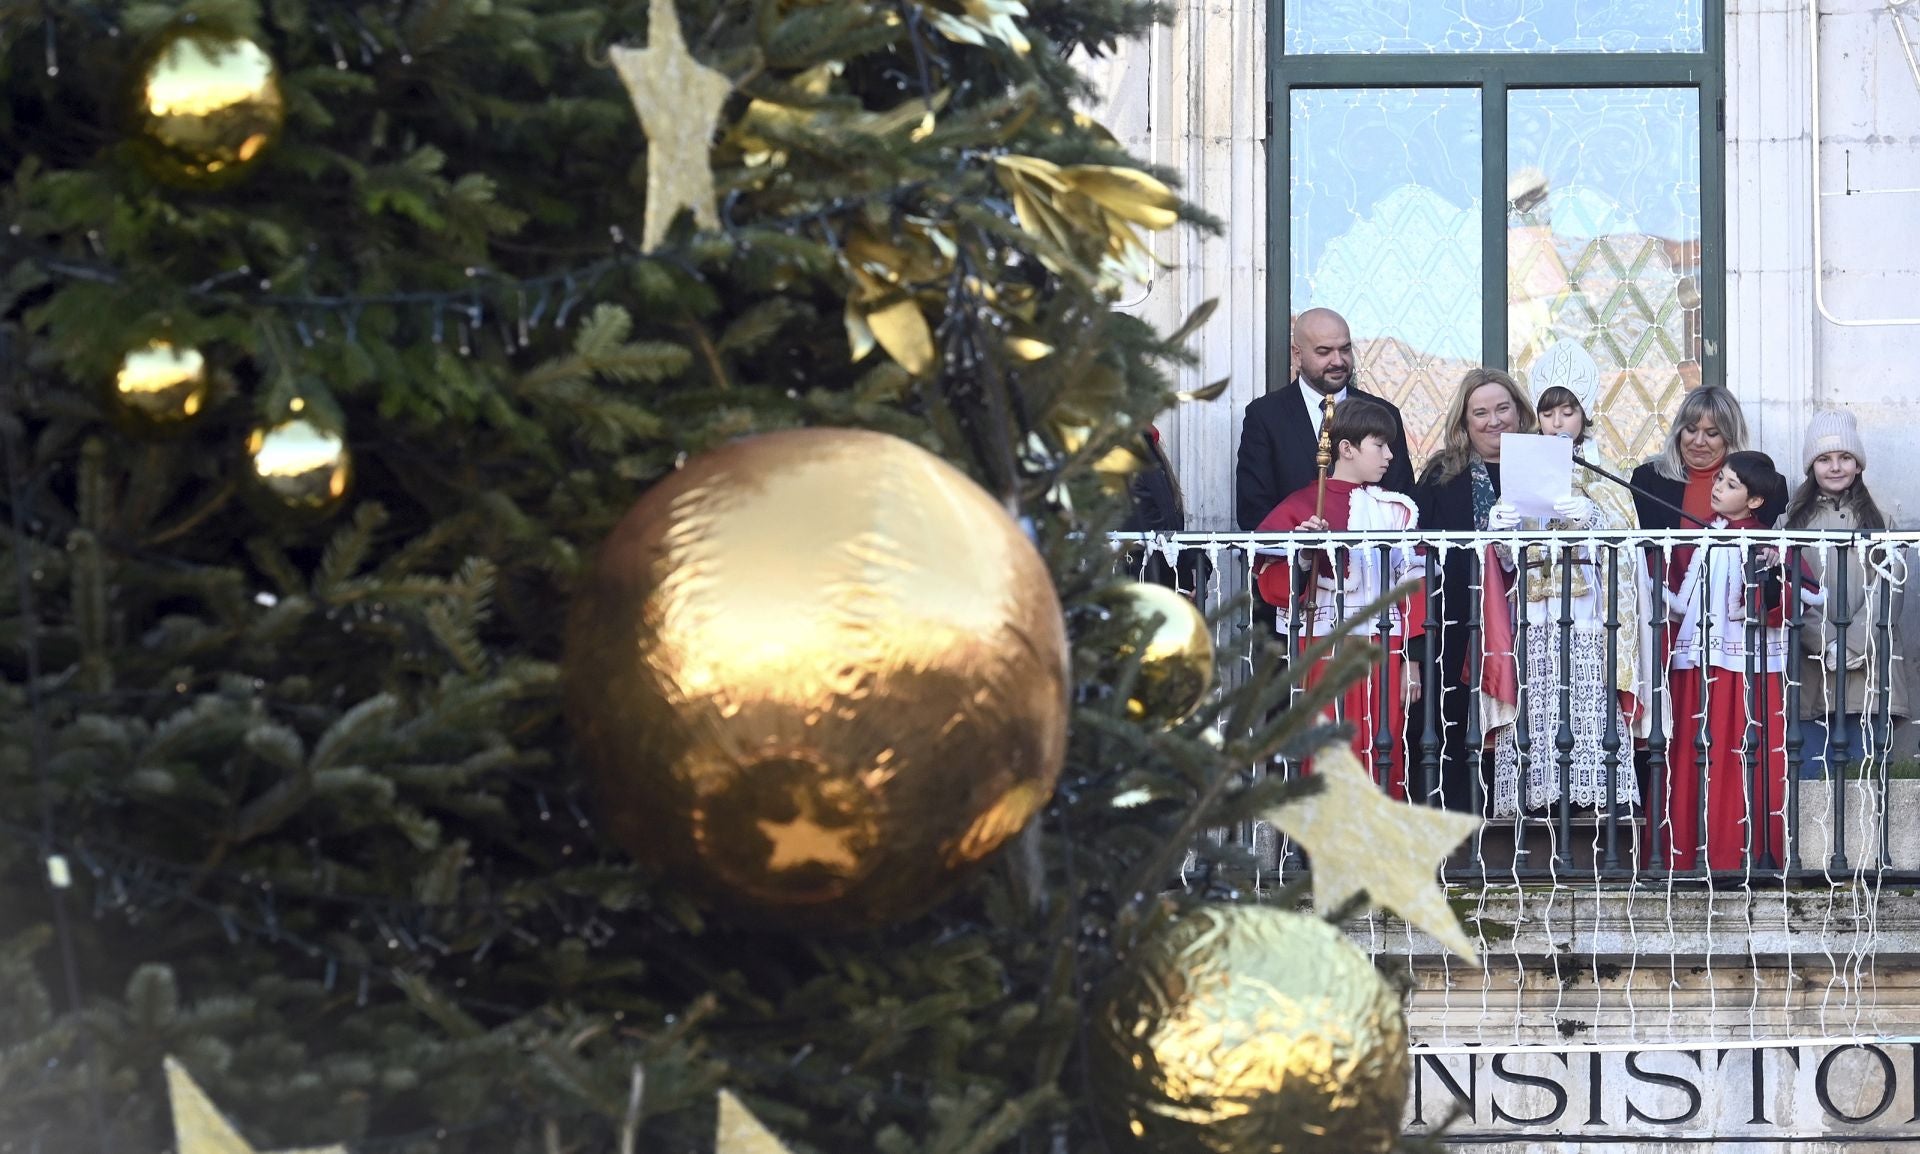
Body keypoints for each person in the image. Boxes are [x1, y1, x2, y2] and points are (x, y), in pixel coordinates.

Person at [1488, 368, 1644, 819]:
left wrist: (1593, 518)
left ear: (1584, 414)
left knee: (1586, 696)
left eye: (1567, 411)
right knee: (1538, 700)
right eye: (1548, 412)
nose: (1557, 422)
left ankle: (1593, 800)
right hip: (1535, 607)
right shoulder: (1523, 467)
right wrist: (1501, 531)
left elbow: (1627, 548)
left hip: (1587, 605)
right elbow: (1507, 562)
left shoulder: (1604, 472)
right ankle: (1537, 800)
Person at [1252, 398, 1425, 795]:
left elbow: (1414, 586)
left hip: (1384, 644)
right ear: (1345, 448)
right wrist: (1306, 555)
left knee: (1384, 743)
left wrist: (1411, 662)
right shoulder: (1300, 506)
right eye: (1379, 445)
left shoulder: (1396, 511)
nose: (1390, 455)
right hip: (1322, 644)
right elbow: (1271, 583)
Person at [1663, 451, 1817, 870]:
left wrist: (1768, 580)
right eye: (1718, 480)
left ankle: (1737, 856)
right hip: (1696, 664)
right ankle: (1686, 857)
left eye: (1731, 485)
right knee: (1693, 754)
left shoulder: (1771, 542)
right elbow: (1678, 600)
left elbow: (1791, 601)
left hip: (1748, 671)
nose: (1717, 488)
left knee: (1740, 755)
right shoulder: (1702, 538)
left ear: (1754, 501)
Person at [1410, 367, 1537, 812]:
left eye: (1503, 408)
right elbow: (1417, 558)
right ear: (1464, 424)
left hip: (1536, 621)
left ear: (1520, 412)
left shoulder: (1547, 467)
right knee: (1460, 729)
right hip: (1459, 627)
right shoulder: (1441, 476)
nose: (1494, 420)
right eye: (1480, 413)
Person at [1779, 410, 1907, 779]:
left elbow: (1889, 589)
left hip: (1867, 673)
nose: (1835, 467)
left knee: (1864, 789)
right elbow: (1790, 589)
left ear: (1858, 463)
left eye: (1845, 457)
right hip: (1811, 674)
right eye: (1824, 459)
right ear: (1811, 465)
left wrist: (1851, 645)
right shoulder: (1788, 524)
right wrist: (1823, 643)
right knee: (1811, 790)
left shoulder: (1882, 521)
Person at [1235, 307, 1415, 532]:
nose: (1338, 361)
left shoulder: (1383, 412)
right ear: (1297, 355)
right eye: (1324, 351)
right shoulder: (1266, 416)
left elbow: (1403, 500)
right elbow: (1253, 511)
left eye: (1345, 349)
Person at [1120, 425, 1211, 597]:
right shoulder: (1128, 451)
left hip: (1156, 588)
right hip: (1138, 592)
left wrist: (1196, 564)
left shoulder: (1147, 447)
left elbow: (1166, 529)